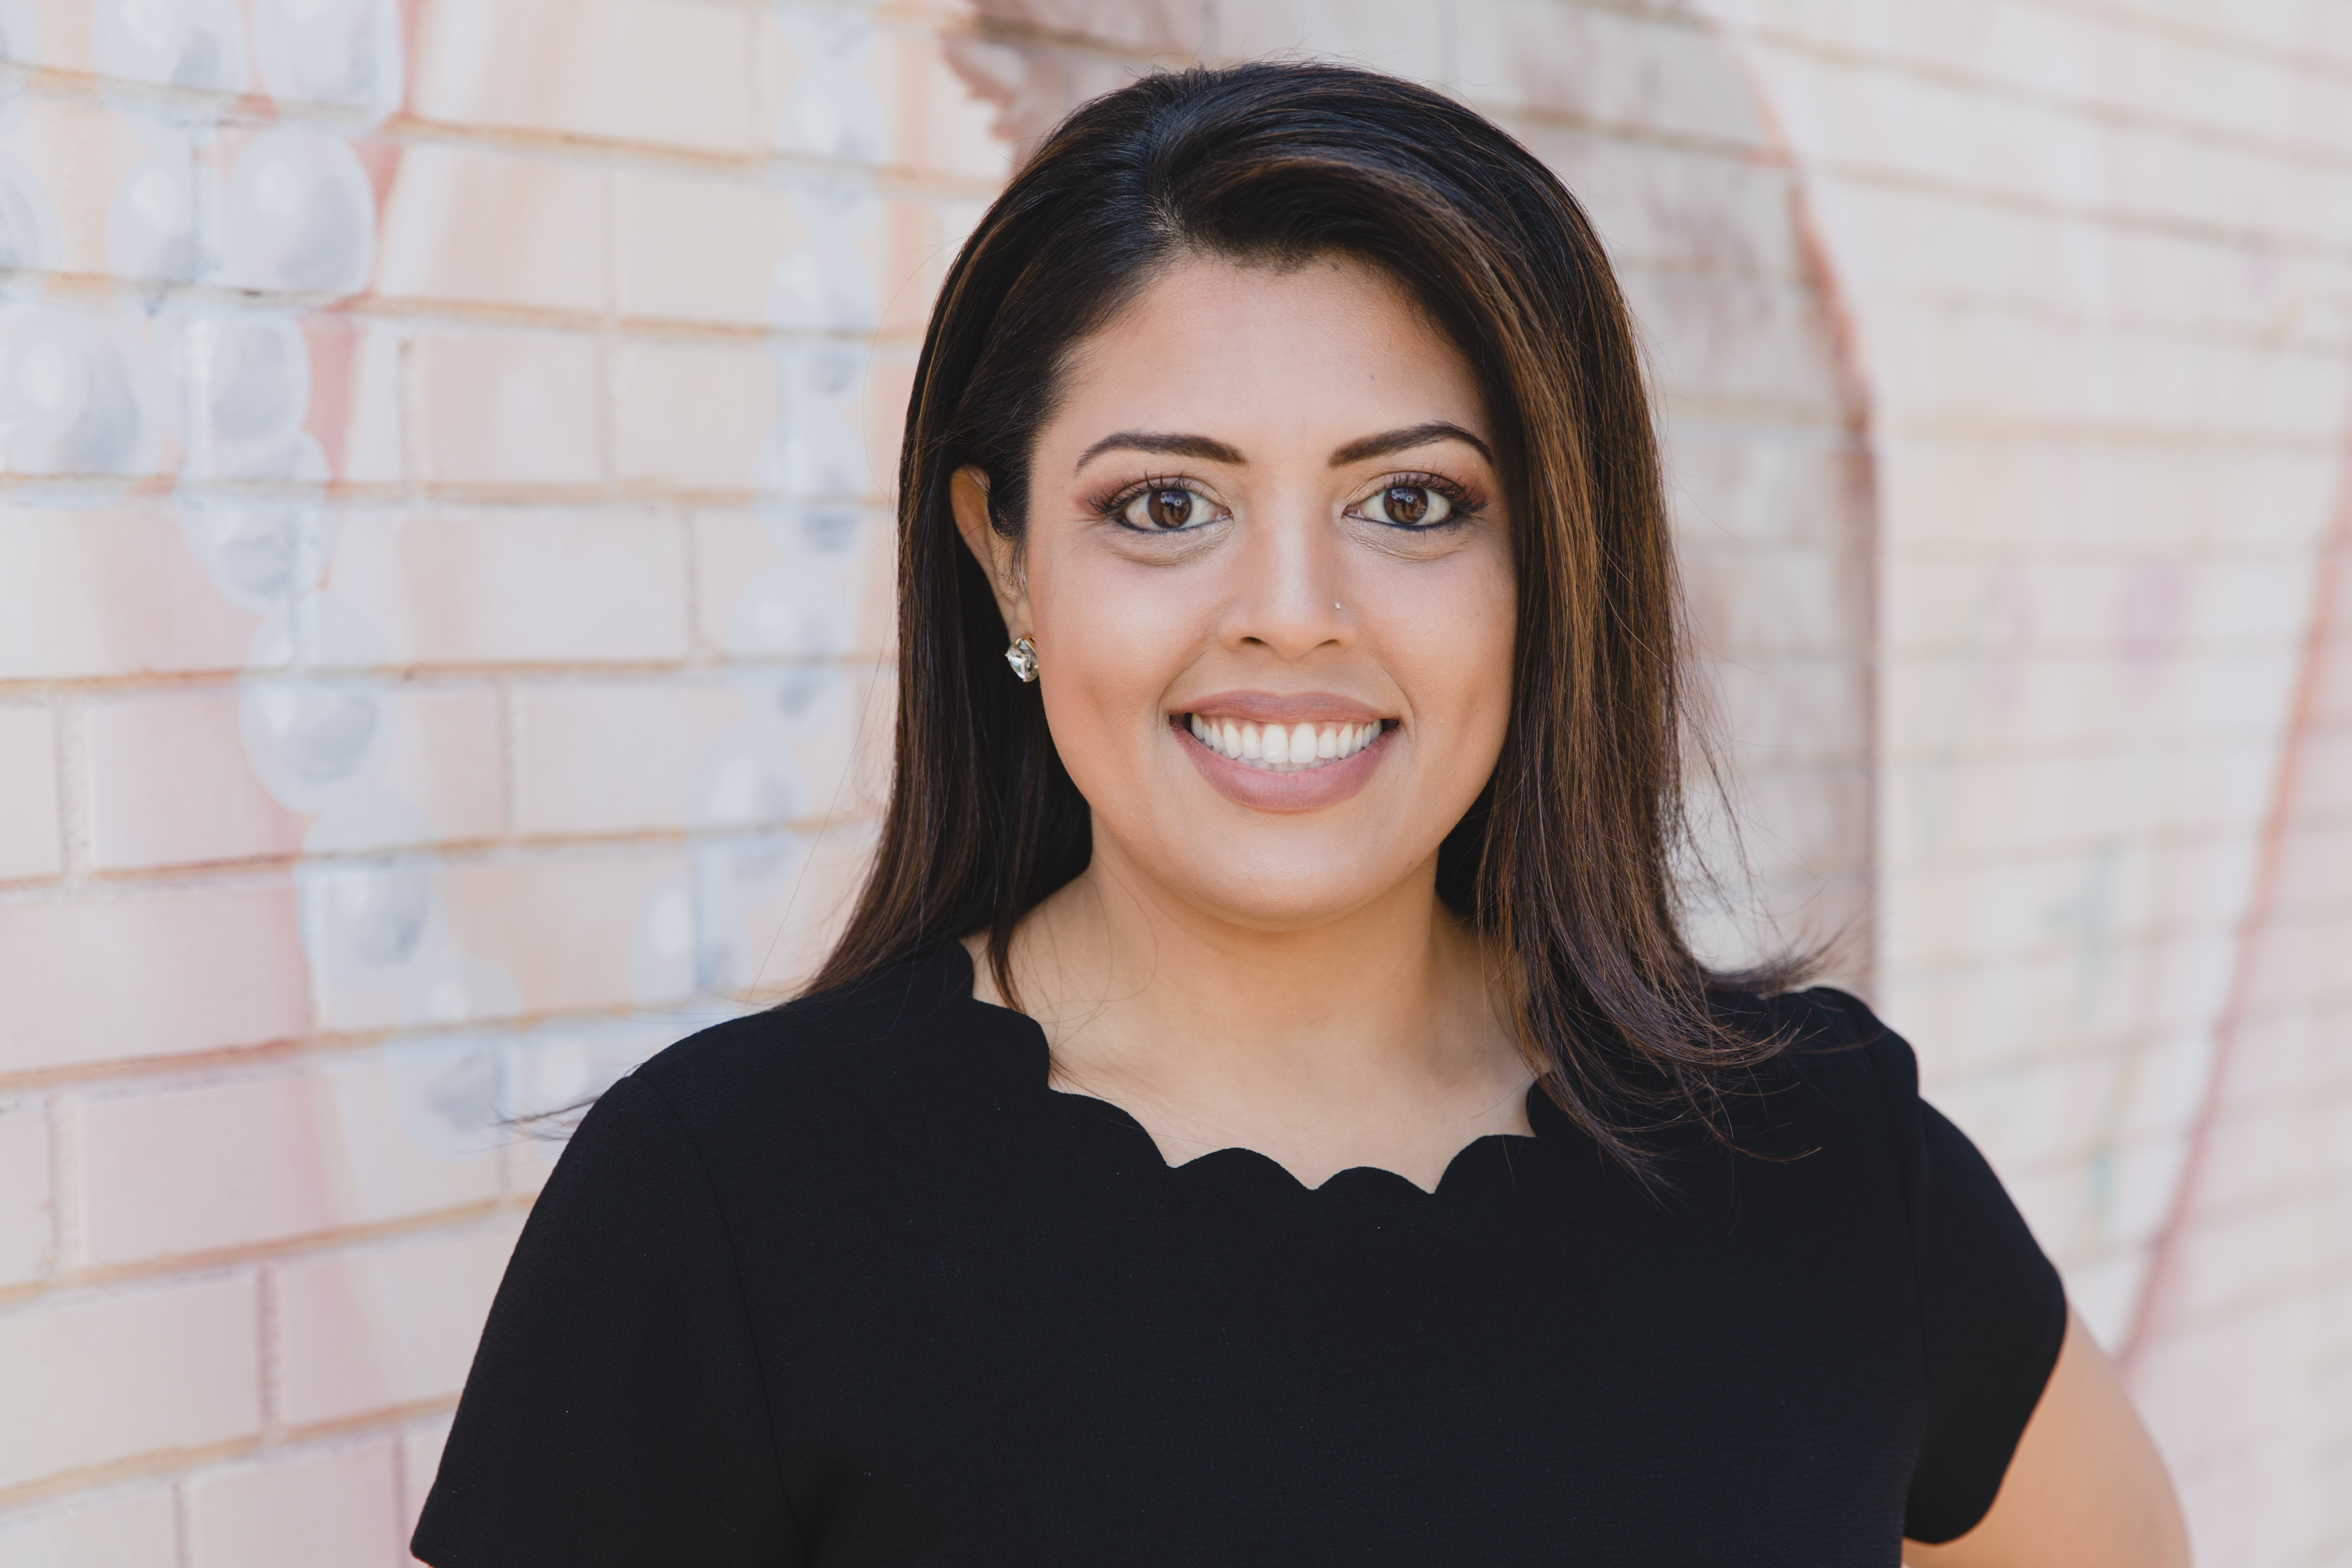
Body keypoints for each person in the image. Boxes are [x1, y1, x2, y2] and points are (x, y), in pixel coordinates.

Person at [412, 62, 2187, 1567]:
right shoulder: (726, 1206)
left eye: (1413, 500)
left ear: (1549, 568)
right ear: (1004, 559)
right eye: (1165, 504)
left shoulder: (1813, 1152)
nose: (1290, 608)